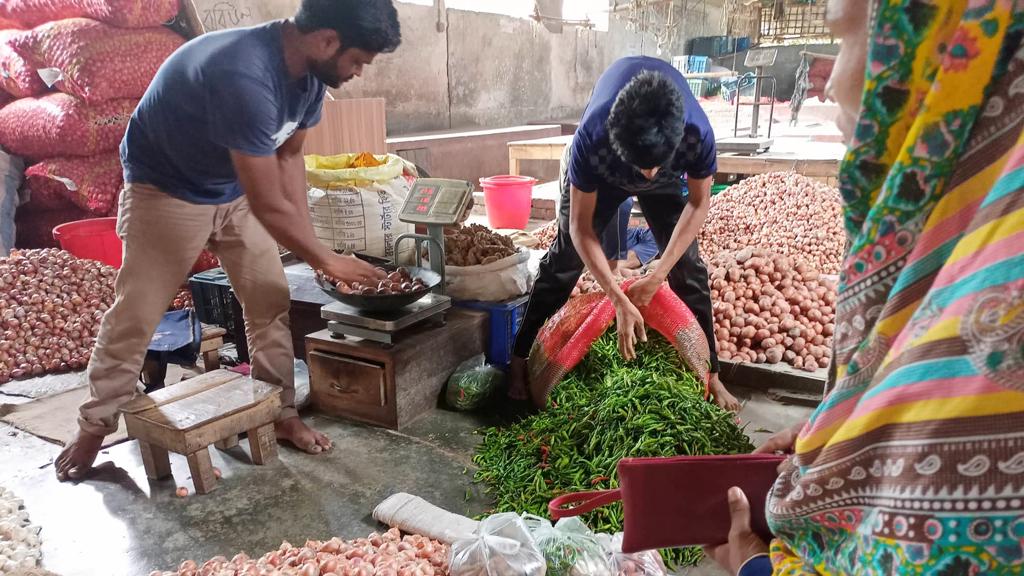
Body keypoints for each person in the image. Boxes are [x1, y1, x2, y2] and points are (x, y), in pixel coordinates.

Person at [706, 0, 1024, 573]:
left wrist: (757, 566)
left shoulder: (997, 301)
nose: (828, 89)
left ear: (920, 48)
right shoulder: (973, 236)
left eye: (847, 39)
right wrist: (843, 429)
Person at [55, 0, 402, 481]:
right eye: (359, 60)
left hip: (234, 190)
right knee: (138, 312)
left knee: (269, 299)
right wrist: (324, 258)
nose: (360, 72)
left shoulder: (310, 79)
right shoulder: (243, 73)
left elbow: (289, 162)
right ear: (326, 40)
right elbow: (267, 201)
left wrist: (320, 254)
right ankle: (94, 426)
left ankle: (279, 411)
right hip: (167, 189)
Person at [510, 56, 740, 411]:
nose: (646, 176)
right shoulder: (593, 137)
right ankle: (520, 360)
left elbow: (698, 204)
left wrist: (659, 272)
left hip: (670, 181)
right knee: (562, 262)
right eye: (640, 167)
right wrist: (618, 298)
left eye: (655, 166)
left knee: (690, 270)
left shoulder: (697, 133)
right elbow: (580, 227)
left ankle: (713, 376)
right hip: (607, 177)